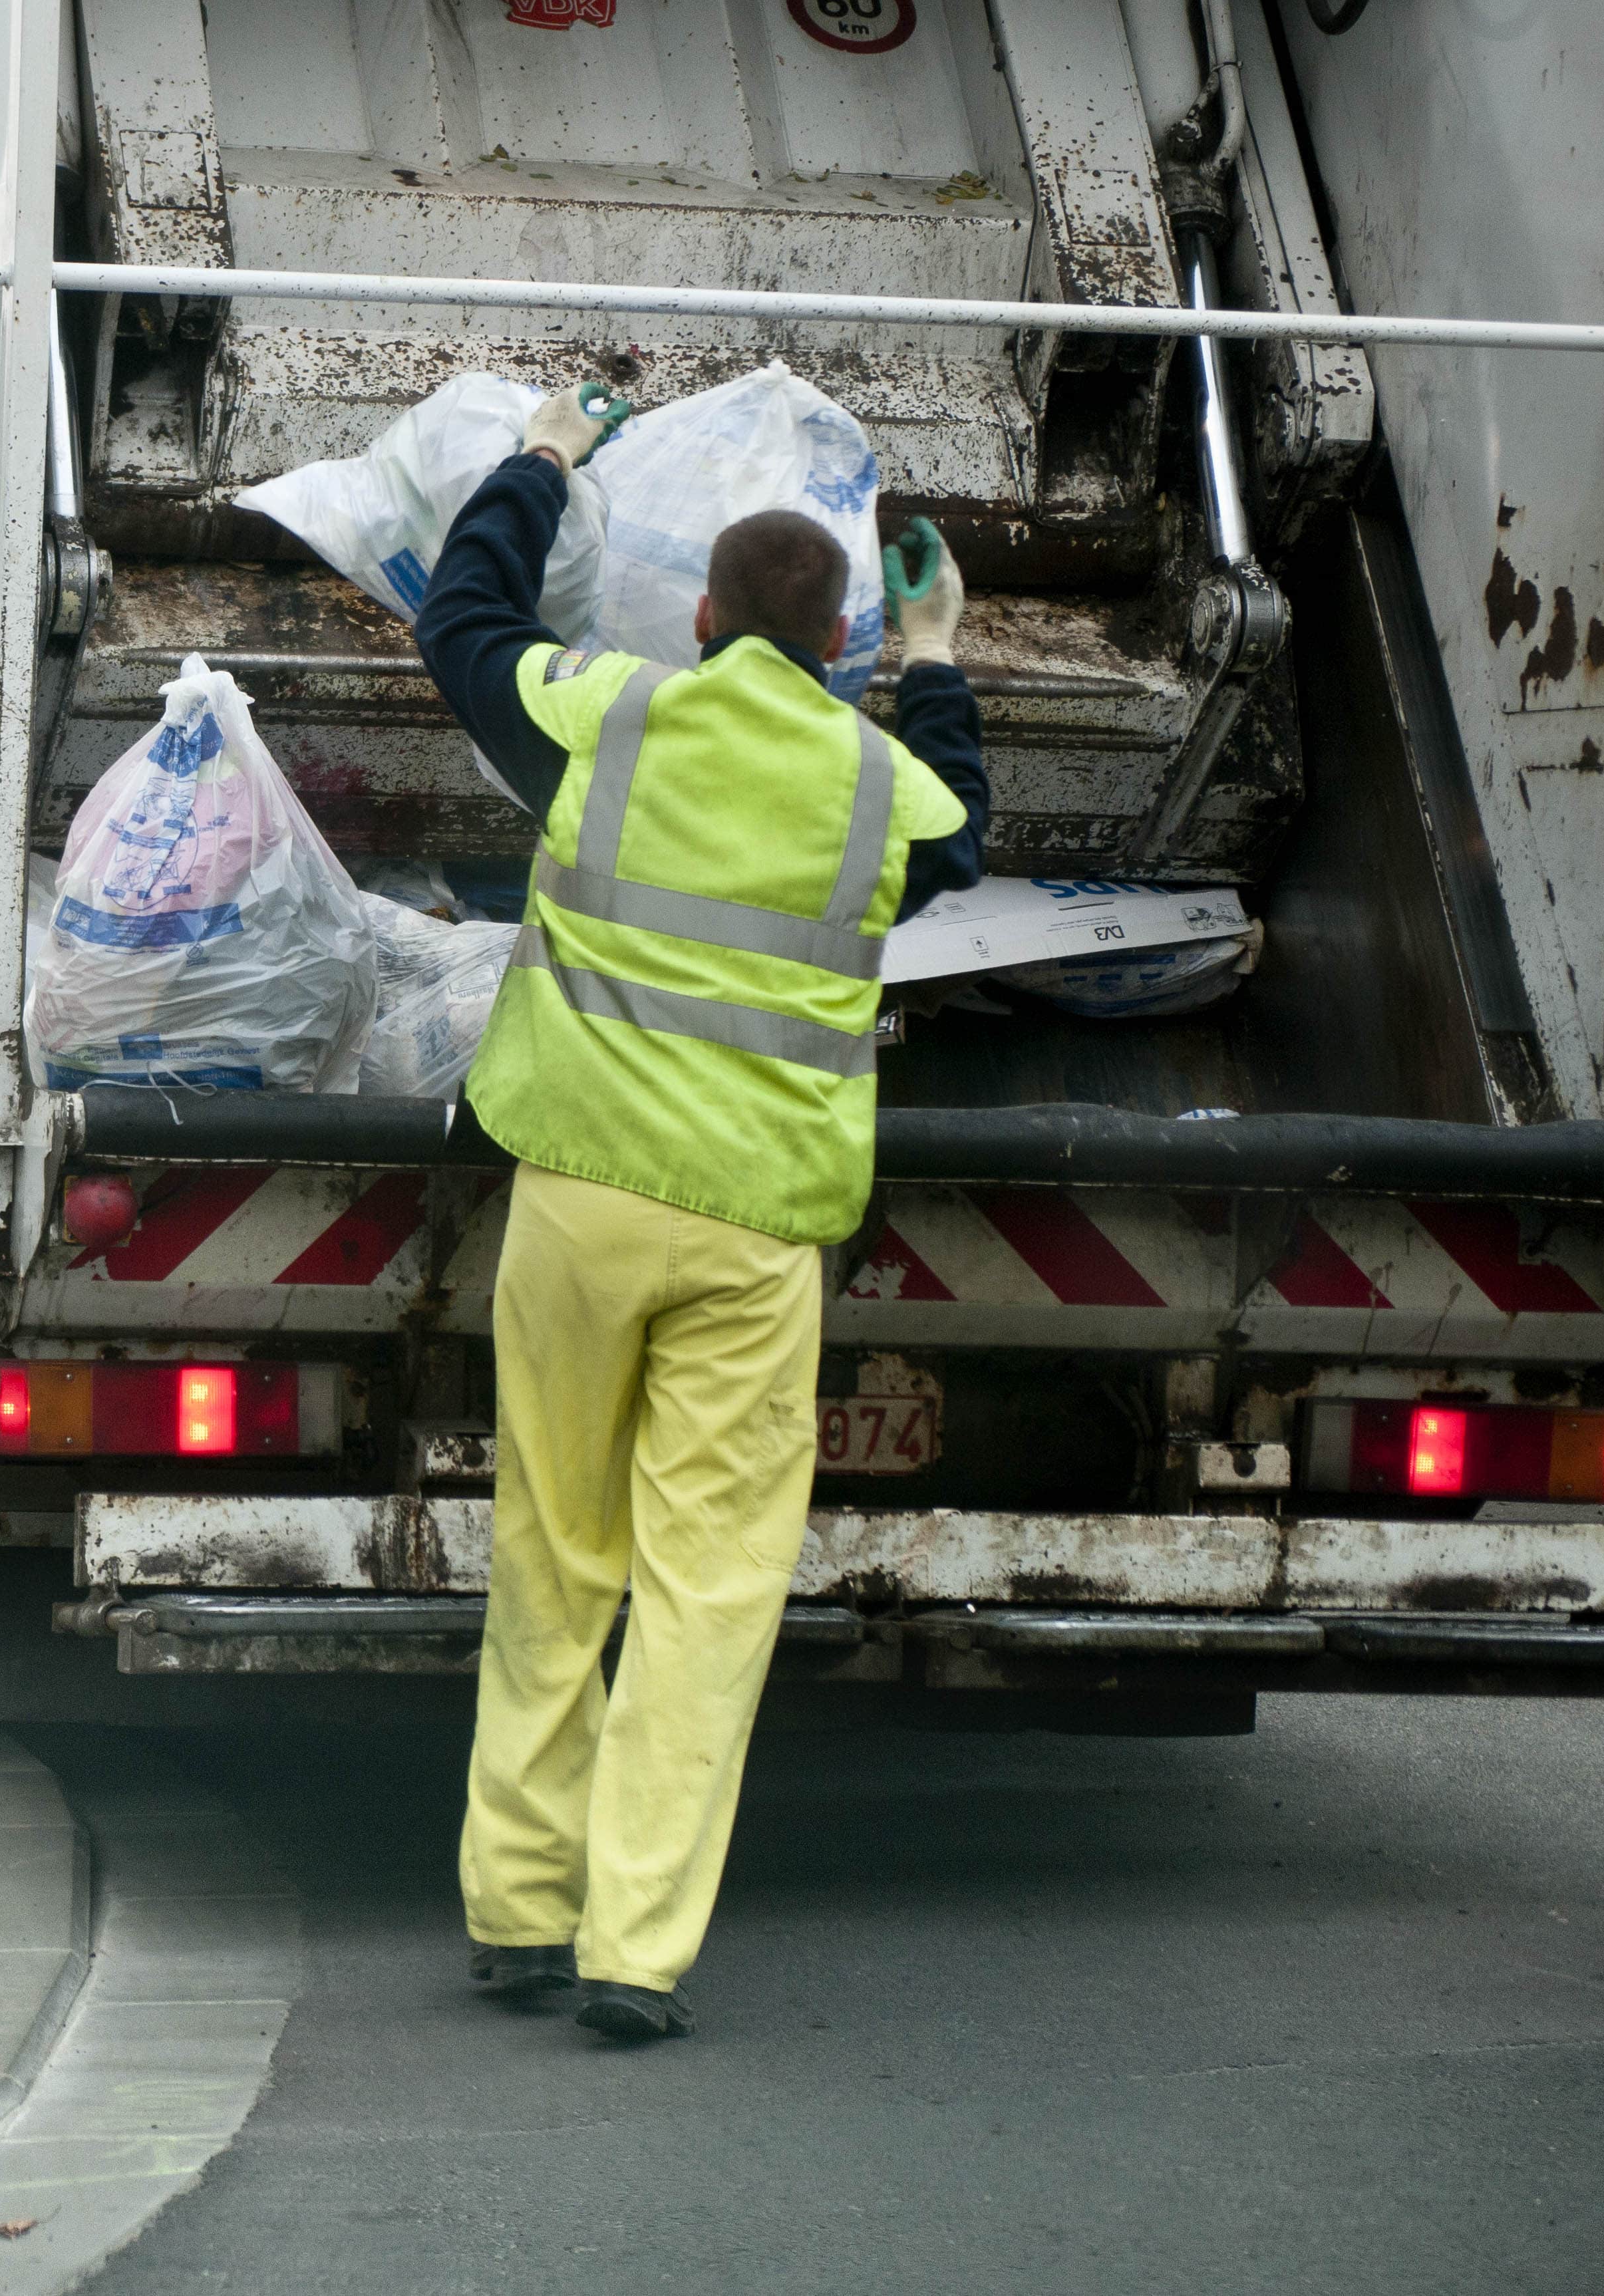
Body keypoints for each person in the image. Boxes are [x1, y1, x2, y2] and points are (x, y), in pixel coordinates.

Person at [412, 387, 989, 2044]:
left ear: (706, 616)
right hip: (750, 1235)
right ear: (838, 643)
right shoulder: (882, 789)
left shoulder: (613, 716)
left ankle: (517, 1909)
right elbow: (963, 821)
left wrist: (542, 460)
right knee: (706, 1592)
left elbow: (464, 627)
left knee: (553, 1552)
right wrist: (936, 653)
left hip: (578, 1201)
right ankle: (633, 1951)